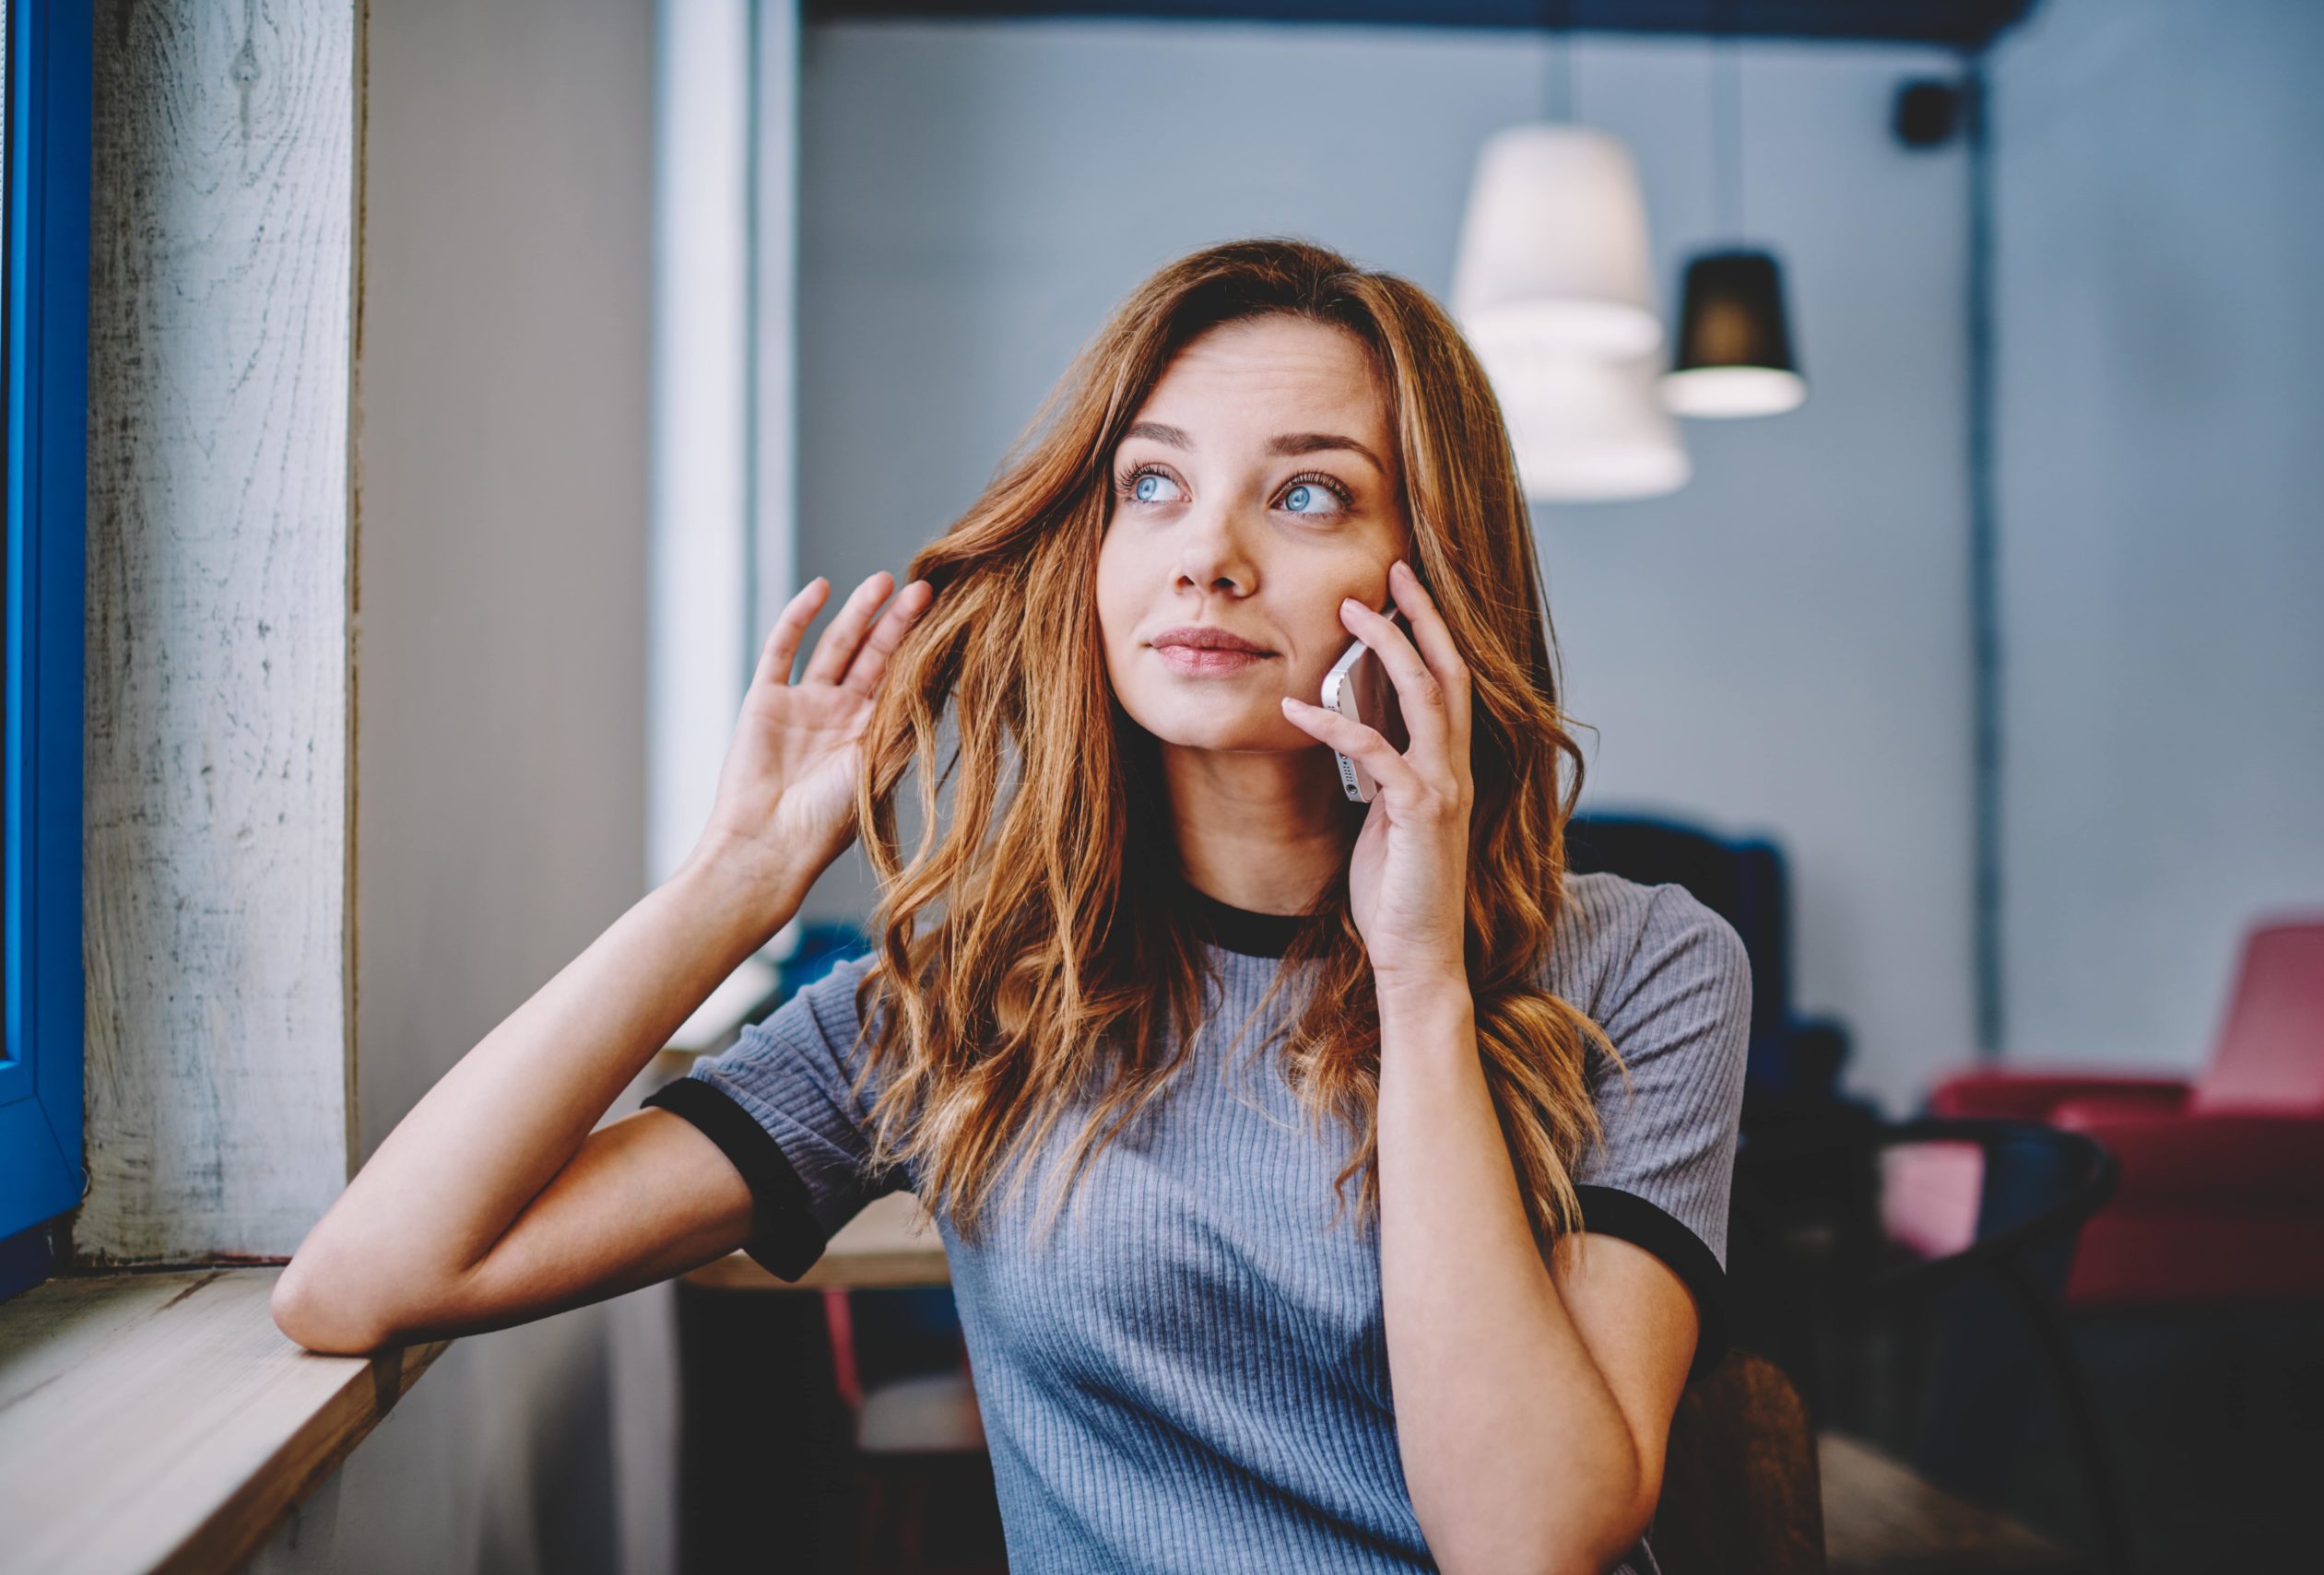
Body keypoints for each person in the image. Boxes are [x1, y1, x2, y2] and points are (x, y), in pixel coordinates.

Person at [273, 237, 1752, 1575]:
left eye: (1310, 493)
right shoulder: (964, 998)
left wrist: (1417, 979)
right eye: (1151, 484)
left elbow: (1529, 1541)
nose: (1209, 553)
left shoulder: (1645, 964)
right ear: (1091, 555)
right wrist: (737, 878)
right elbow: (365, 1280)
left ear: (1435, 576)